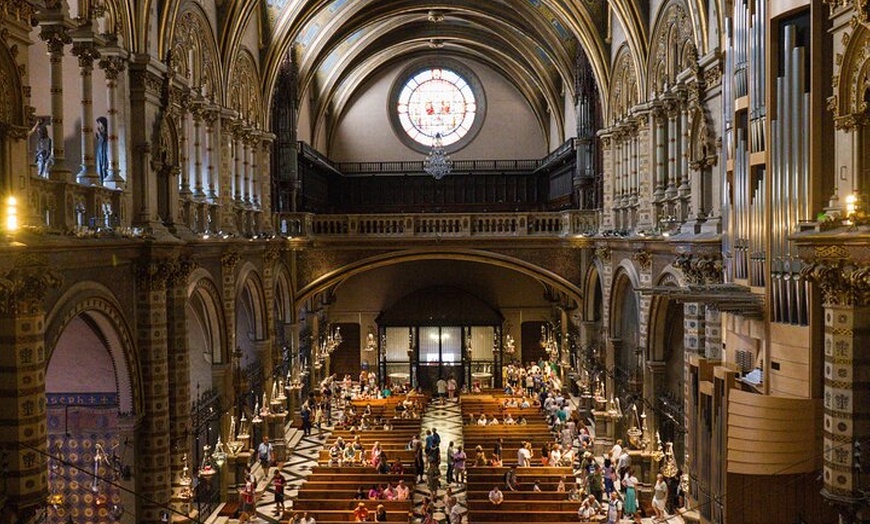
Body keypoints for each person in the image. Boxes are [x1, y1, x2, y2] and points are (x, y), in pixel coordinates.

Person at [95, 116, 109, 183]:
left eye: (102, 127)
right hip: (100, 158)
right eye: (99, 128)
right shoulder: (100, 137)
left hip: (105, 159)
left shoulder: (107, 138)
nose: (100, 129)